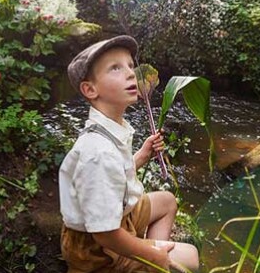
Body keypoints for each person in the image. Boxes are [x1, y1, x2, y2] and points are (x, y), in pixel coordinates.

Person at [59, 35, 200, 273]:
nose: (130, 73)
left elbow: (113, 179)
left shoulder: (110, 129)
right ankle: (146, 261)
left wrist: (142, 156)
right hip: (98, 251)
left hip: (119, 218)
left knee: (166, 201)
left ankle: (149, 263)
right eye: (115, 68)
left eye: (129, 66)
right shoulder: (97, 153)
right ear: (90, 89)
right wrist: (151, 254)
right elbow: (105, 234)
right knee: (192, 257)